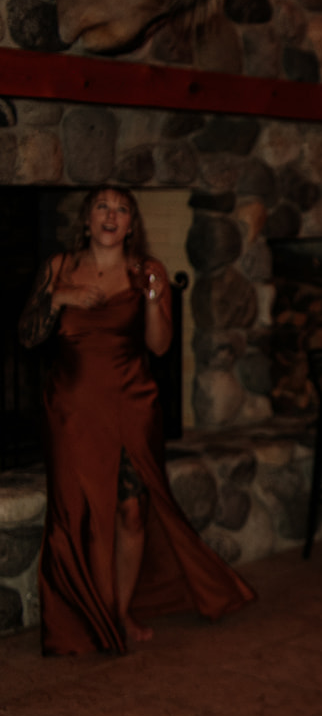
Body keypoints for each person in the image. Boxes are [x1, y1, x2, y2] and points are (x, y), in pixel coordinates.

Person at [17, 186, 254, 655]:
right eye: (102, 206)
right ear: (86, 219)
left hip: (131, 404)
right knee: (77, 512)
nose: (112, 215)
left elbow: (161, 346)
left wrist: (151, 299)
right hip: (71, 410)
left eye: (122, 209)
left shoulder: (147, 271)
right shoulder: (59, 267)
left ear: (131, 224)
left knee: (130, 509)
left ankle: (119, 612)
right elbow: (28, 336)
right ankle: (84, 616)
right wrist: (58, 296)